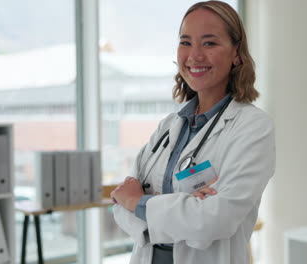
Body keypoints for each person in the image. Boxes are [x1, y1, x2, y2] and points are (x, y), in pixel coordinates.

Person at [111, 1, 275, 263]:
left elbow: (217, 219)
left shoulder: (252, 127)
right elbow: (120, 204)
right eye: (185, 42)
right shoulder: (169, 126)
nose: (194, 55)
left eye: (209, 43)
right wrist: (186, 210)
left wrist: (140, 204)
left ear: (236, 54)